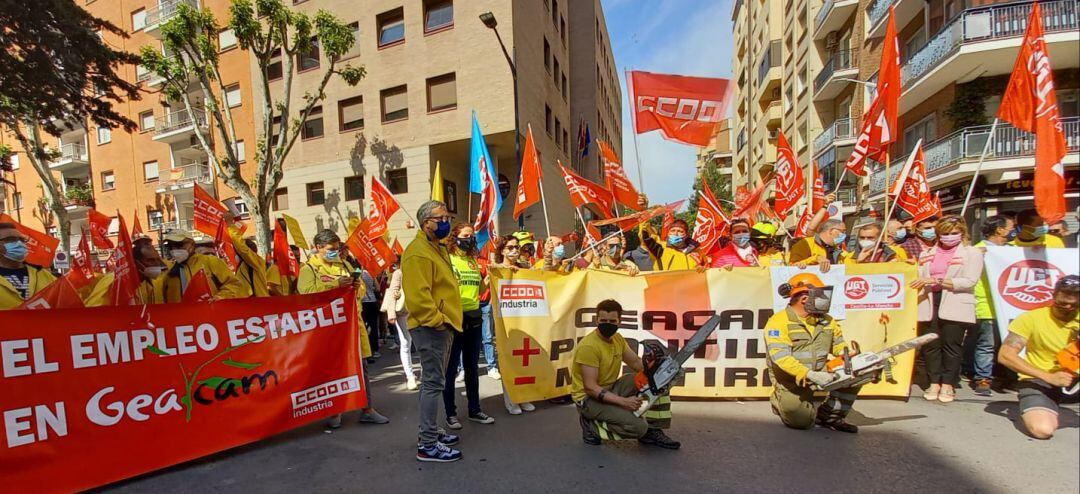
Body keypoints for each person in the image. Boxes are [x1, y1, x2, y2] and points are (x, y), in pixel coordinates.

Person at [297, 229, 389, 429]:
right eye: (331, 249)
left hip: (354, 325)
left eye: (337, 249)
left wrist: (356, 286)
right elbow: (306, 295)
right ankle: (334, 410)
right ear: (318, 248)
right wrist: (335, 286)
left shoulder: (345, 264)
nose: (335, 253)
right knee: (333, 371)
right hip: (329, 331)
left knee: (362, 369)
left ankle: (367, 409)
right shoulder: (309, 269)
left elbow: (361, 291)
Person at [402, 201, 464, 462]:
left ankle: (428, 432)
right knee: (432, 384)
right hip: (431, 328)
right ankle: (428, 445)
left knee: (431, 383)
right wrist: (437, 320)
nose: (447, 222)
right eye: (442, 218)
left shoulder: (434, 247)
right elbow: (418, 296)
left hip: (441, 325)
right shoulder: (418, 252)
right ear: (427, 222)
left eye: (448, 217)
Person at [764, 273, 863, 433]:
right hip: (792, 381)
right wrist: (809, 374)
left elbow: (837, 345)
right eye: (820, 295)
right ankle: (779, 399)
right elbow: (781, 358)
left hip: (822, 372)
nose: (825, 299)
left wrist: (847, 352)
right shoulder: (778, 322)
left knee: (860, 371)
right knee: (801, 421)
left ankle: (830, 416)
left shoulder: (827, 321)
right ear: (804, 298)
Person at [574, 299, 680, 449]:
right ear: (596, 320)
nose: (607, 324)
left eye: (612, 321)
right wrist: (624, 402)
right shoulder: (589, 347)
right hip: (589, 399)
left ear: (619, 321)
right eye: (603, 320)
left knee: (656, 380)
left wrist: (654, 368)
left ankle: (653, 429)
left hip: (611, 388)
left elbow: (636, 363)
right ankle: (592, 427)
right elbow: (590, 388)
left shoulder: (617, 339)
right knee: (638, 427)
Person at [911, 215, 983, 403]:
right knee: (930, 344)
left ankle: (948, 383)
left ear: (962, 233)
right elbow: (920, 276)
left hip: (955, 300)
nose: (949, 237)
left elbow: (970, 281)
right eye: (944, 233)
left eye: (953, 233)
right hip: (929, 300)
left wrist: (937, 281)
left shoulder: (972, 253)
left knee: (951, 345)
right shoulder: (926, 253)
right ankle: (934, 381)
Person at [997, 275, 1079, 439]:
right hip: (1040, 380)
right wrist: (1048, 377)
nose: (1068, 307)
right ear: (1054, 296)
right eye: (1063, 303)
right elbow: (1005, 355)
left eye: (1074, 305)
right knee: (1043, 430)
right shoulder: (1031, 318)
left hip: (1075, 380)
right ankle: (1037, 407)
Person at [442, 223, 497, 430]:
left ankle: (475, 410)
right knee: (451, 368)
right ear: (455, 238)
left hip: (474, 317)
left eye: (472, 236)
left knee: (472, 367)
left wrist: (488, 276)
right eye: (466, 236)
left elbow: (480, 288)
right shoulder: (448, 260)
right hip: (454, 318)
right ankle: (451, 413)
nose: (470, 239)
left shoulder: (473, 262)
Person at [967, 215, 1015, 395]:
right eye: (1010, 227)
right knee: (987, 344)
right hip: (987, 304)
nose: (1013, 230)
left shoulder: (1013, 250)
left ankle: (1008, 378)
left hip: (1010, 306)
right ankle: (983, 378)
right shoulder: (977, 250)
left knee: (1010, 344)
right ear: (999, 229)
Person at [490, 234, 537, 414]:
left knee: (525, 361)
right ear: (502, 250)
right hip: (504, 320)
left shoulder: (525, 268)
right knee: (508, 359)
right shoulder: (495, 269)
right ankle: (511, 401)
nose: (515, 250)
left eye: (517, 247)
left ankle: (524, 397)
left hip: (524, 318)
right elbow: (486, 289)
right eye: (510, 247)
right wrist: (493, 275)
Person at [160, 229, 247, 302]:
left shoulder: (210, 262)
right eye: (170, 246)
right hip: (183, 320)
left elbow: (233, 284)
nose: (174, 250)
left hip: (210, 317)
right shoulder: (169, 273)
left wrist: (219, 298)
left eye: (179, 245)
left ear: (192, 244)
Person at [0, 222, 57, 309]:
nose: (19, 243)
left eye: (22, 240)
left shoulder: (43, 274)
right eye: (10, 239)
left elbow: (68, 299)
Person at [637, 196, 699, 270]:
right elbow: (646, 236)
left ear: (686, 235)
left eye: (680, 231)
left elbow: (706, 269)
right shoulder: (660, 248)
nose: (675, 234)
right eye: (672, 231)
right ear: (668, 233)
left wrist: (702, 269)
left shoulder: (696, 253)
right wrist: (643, 212)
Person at [382, 260, 415, 389]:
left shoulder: (421, 271)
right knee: (406, 343)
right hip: (403, 312)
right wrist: (391, 314)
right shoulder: (398, 273)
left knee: (421, 344)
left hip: (419, 311)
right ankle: (410, 376)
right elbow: (392, 292)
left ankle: (425, 375)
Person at [359, 267, 383, 362]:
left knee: (363, 328)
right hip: (372, 302)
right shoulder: (371, 274)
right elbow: (378, 288)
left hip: (362, 303)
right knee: (373, 326)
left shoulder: (358, 274)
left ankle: (365, 351)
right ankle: (375, 350)